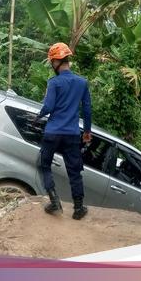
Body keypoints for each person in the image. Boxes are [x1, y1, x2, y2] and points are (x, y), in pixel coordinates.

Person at [37, 42, 92, 220]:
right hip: (72, 134)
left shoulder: (54, 82)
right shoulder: (82, 82)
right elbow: (87, 110)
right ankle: (78, 209)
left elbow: (48, 106)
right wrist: (87, 131)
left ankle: (54, 201)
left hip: (52, 132)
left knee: (44, 165)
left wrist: (39, 115)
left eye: (52, 62)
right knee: (74, 171)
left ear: (55, 62)